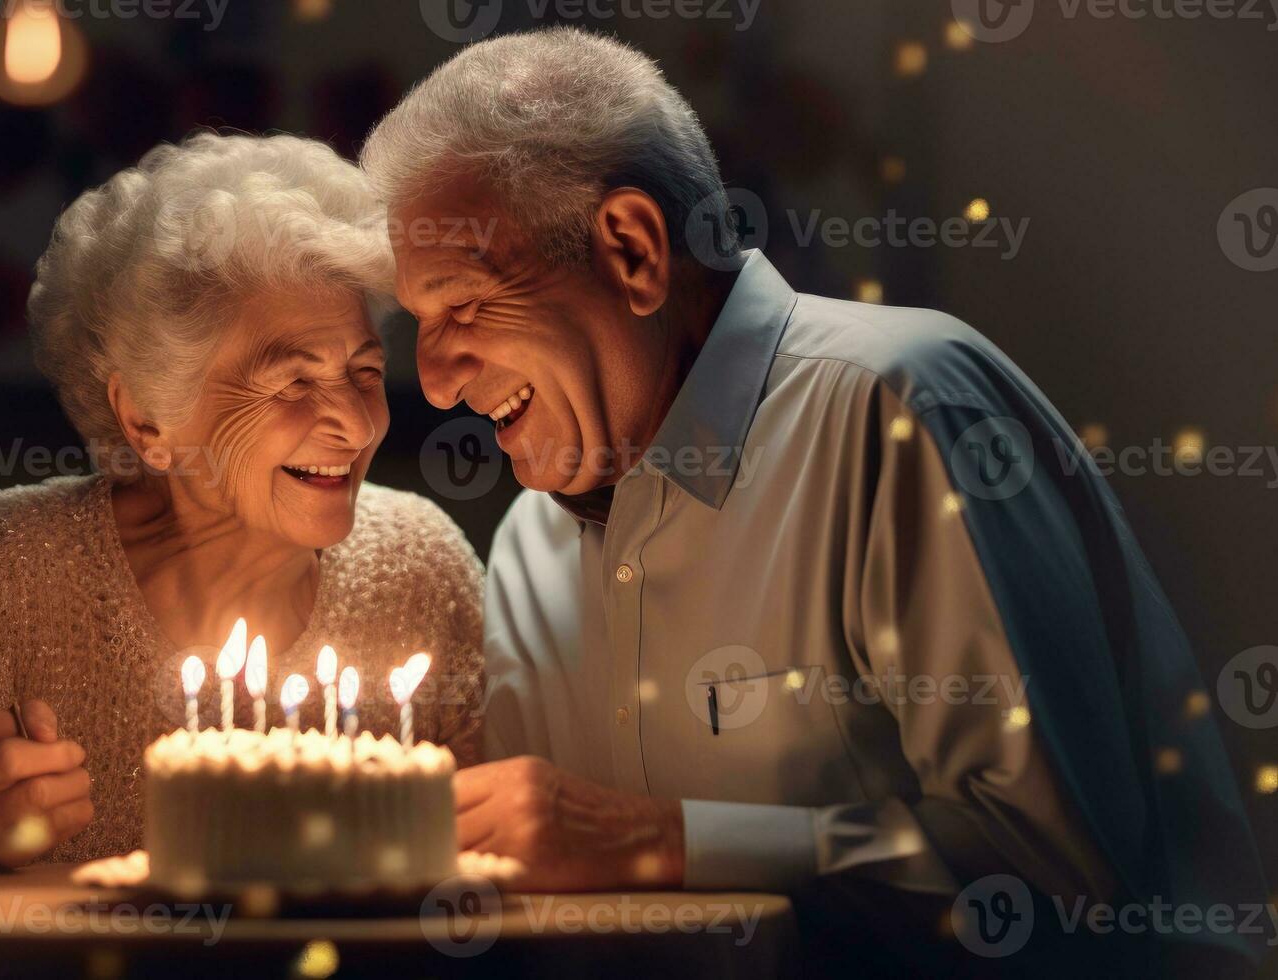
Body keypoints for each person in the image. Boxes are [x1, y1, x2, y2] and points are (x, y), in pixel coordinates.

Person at [362, 27, 1266, 973]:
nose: (432, 381)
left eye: (462, 306)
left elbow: (1056, 881)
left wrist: (666, 840)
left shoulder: (899, 406)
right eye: (418, 326)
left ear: (631, 251)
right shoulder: (526, 548)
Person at [0, 133, 485, 868]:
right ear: (147, 417)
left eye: (363, 372)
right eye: (291, 382)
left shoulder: (421, 566)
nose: (355, 425)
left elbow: (499, 880)